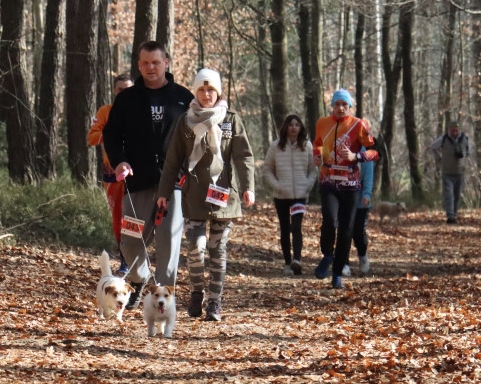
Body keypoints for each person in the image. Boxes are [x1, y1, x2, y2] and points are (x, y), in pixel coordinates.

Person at [157, 68, 254, 322]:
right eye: (201, 89)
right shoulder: (186, 120)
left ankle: (214, 303)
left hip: (224, 196)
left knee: (217, 249)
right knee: (196, 249)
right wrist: (164, 193)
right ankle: (197, 292)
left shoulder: (231, 120)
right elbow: (172, 160)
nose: (207, 94)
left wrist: (248, 188)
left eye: (211, 89)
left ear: (218, 92)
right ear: (196, 92)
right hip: (194, 195)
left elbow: (243, 156)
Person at [103, 41, 195, 308]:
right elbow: (111, 134)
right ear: (139, 65)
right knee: (130, 243)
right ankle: (139, 277)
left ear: (166, 62)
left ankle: (164, 300)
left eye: (155, 62)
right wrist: (119, 162)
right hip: (138, 180)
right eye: (144, 63)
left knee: (168, 244)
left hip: (174, 183)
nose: (149, 68)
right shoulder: (127, 99)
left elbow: (197, 138)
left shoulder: (183, 97)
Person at [312, 88, 379, 288]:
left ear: (350, 107)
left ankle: (337, 272)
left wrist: (356, 157)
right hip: (328, 180)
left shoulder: (359, 125)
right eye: (337, 104)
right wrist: (317, 154)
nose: (340, 108)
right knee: (330, 222)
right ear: (332, 106)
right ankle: (327, 255)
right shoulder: (322, 123)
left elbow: (375, 152)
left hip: (350, 184)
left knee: (346, 230)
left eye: (344, 105)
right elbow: (317, 143)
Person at [87, 73, 134, 272]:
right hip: (111, 172)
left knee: (136, 215)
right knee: (118, 217)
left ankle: (137, 258)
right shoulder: (106, 111)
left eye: (128, 89)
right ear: (115, 91)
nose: (123, 93)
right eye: (120, 89)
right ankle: (125, 259)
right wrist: (111, 133)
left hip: (137, 172)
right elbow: (91, 138)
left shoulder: (140, 111)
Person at [262, 114, 317, 276]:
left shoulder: (307, 146)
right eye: (291, 124)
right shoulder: (275, 147)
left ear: (301, 128)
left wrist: (307, 185)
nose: (294, 127)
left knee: (296, 227)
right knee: (285, 228)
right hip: (281, 196)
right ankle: (287, 263)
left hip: (299, 195)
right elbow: (267, 170)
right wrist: (277, 186)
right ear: (285, 127)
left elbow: (313, 169)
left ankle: (297, 260)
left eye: (297, 125)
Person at [427, 122, 470, 224]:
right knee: (449, 195)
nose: (454, 132)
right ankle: (450, 216)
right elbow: (432, 147)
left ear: (459, 130)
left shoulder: (465, 139)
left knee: (457, 195)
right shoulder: (443, 139)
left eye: (456, 130)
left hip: (460, 173)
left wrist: (464, 160)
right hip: (447, 173)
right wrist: (438, 158)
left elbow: (469, 152)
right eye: (452, 130)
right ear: (448, 130)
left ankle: (453, 214)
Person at [343, 157, 374, 276]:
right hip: (344, 199)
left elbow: (368, 176)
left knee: (358, 233)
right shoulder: (340, 148)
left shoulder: (365, 153)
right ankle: (344, 263)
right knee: (345, 232)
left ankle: (362, 255)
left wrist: (367, 194)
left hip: (361, 202)